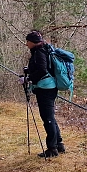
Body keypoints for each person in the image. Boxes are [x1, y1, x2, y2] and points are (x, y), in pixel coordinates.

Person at [23, 30, 64, 159]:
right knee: (50, 117)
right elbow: (41, 68)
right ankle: (59, 145)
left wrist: (28, 79)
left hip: (46, 89)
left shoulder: (39, 52)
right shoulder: (42, 50)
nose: (26, 44)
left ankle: (52, 149)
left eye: (28, 41)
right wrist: (28, 71)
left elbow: (42, 70)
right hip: (48, 88)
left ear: (32, 42)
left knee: (48, 119)